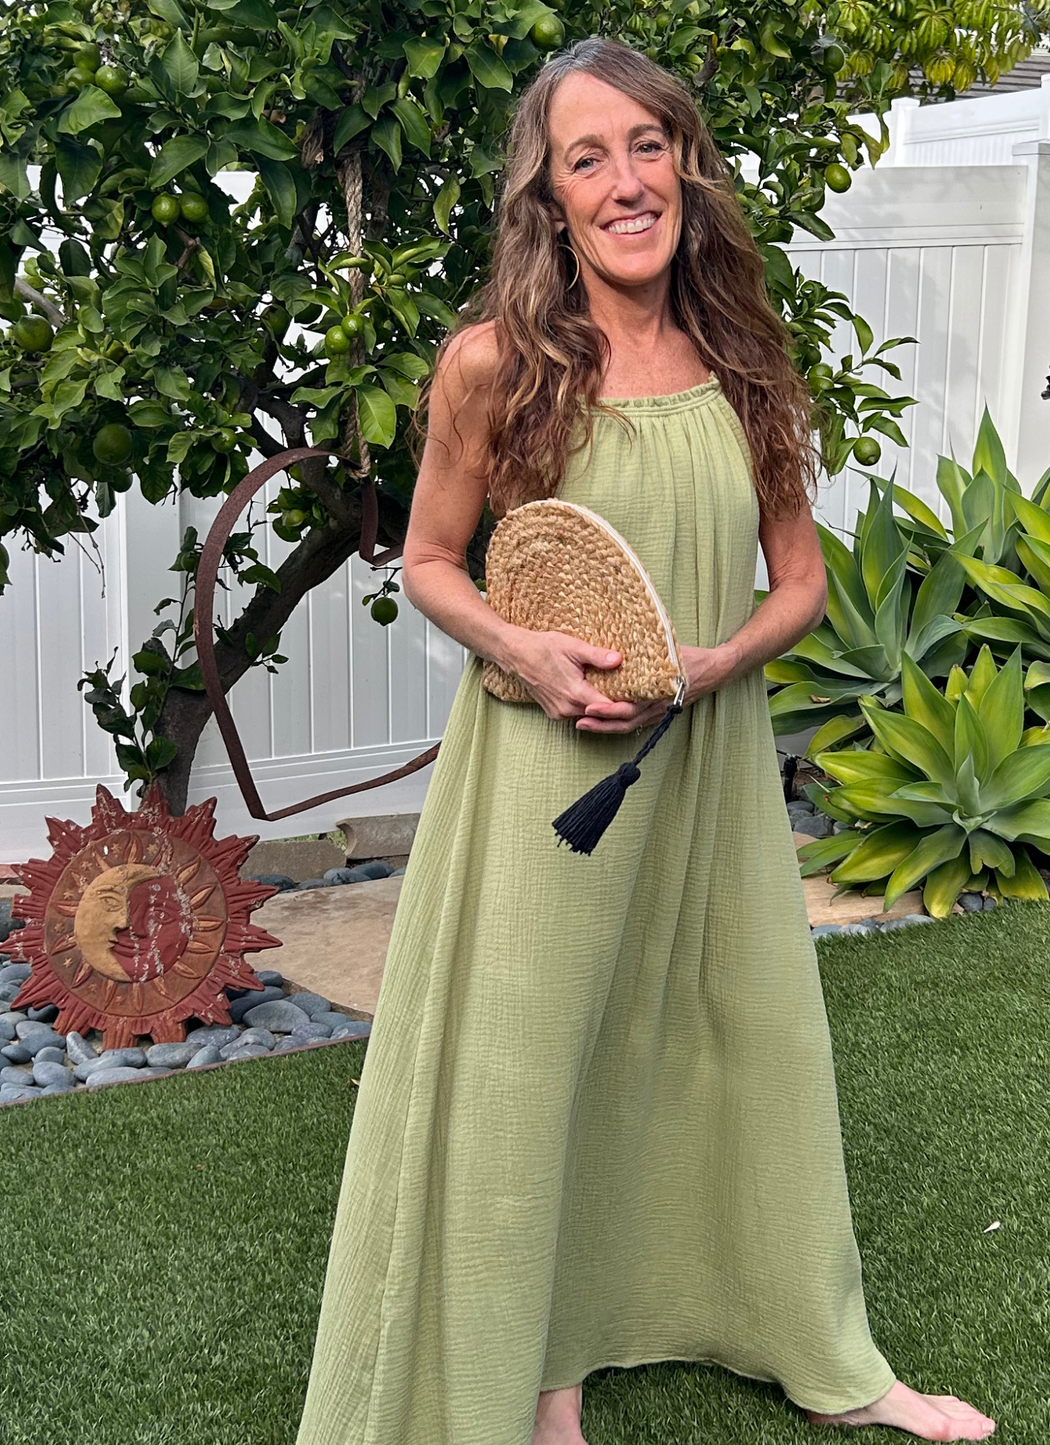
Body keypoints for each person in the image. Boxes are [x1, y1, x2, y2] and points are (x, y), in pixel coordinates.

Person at [294, 35, 996, 1445]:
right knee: (534, 1060)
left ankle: (828, 1353)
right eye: (586, 158)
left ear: (685, 163)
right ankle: (538, 1379)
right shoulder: (494, 365)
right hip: (553, 767)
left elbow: (794, 578)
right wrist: (523, 651)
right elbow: (432, 560)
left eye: (646, 147)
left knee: (752, 1036)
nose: (625, 181)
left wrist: (720, 662)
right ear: (547, 201)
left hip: (711, 757)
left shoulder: (745, 356)